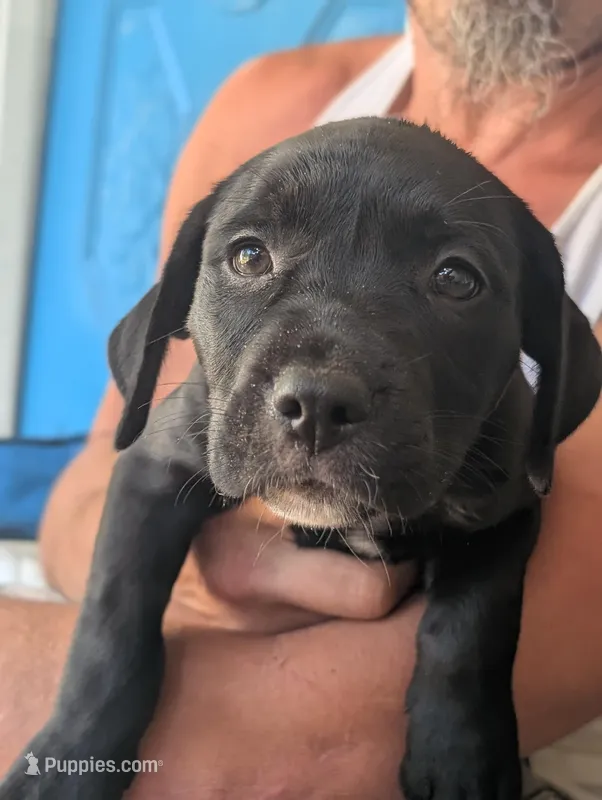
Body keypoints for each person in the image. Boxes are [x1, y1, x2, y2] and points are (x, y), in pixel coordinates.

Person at [1, 1, 602, 797]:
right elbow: (111, 478)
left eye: (454, 278)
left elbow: (302, 755)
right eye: (250, 256)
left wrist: (460, 680)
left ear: (545, 359)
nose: (314, 390)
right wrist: (124, 672)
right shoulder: (266, 104)